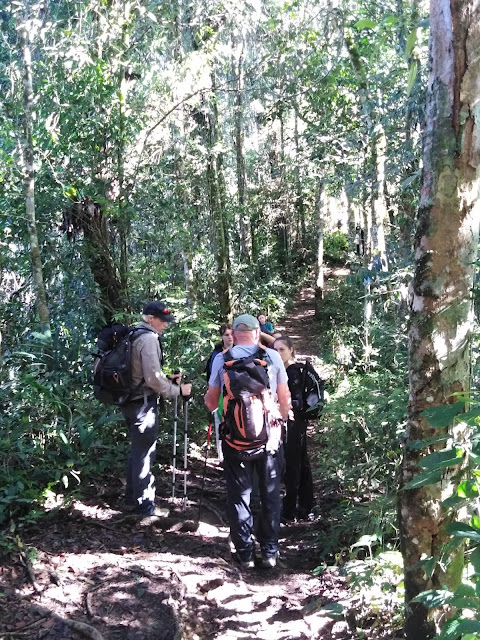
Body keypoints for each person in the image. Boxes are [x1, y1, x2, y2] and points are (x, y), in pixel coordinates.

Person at [204, 314, 291, 569]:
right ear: (256, 333)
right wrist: (282, 418)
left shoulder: (221, 359)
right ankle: (270, 552)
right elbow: (284, 397)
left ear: (234, 333)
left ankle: (244, 554)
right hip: (269, 439)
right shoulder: (272, 356)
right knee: (270, 494)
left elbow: (211, 401)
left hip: (235, 440)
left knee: (239, 496)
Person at [120, 301, 192, 516]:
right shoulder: (149, 338)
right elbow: (152, 379)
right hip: (142, 404)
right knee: (144, 454)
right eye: (162, 320)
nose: (165, 324)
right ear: (150, 318)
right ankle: (144, 506)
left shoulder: (133, 334)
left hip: (130, 400)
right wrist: (178, 390)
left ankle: (131, 499)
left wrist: (166, 379)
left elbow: (141, 373)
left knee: (138, 451)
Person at [273, 336, 314, 522]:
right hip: (296, 423)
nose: (278, 353)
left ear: (291, 350)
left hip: (293, 424)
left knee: (293, 466)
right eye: (275, 350)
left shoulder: (292, 372)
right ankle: (306, 506)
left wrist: (279, 403)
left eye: (282, 349)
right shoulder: (287, 370)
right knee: (301, 464)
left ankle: (289, 510)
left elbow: (297, 402)